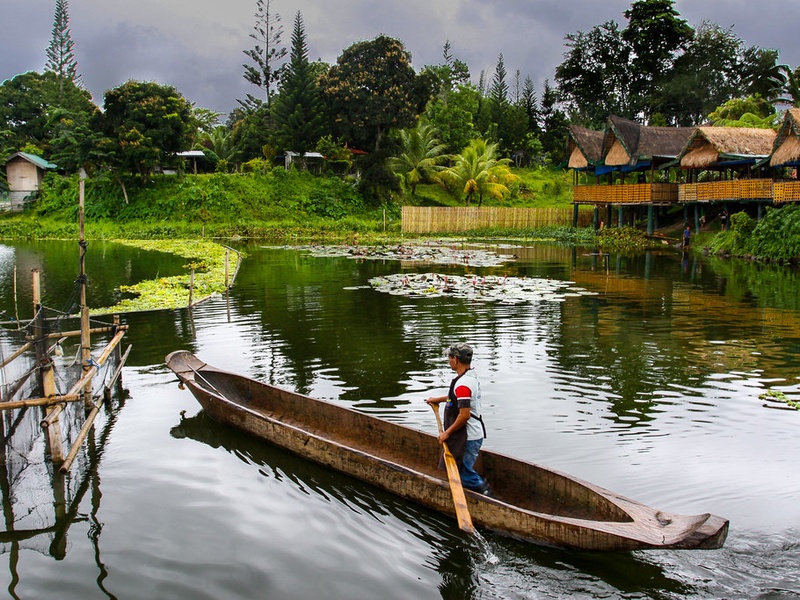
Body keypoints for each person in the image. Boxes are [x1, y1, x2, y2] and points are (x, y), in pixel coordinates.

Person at [426, 343, 490, 496]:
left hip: (467, 437)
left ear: (455, 359)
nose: (448, 360)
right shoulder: (470, 376)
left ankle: (485, 492)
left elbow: (464, 415)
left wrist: (446, 433)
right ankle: (479, 489)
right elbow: (455, 398)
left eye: (449, 357)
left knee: (462, 473)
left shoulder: (463, 384)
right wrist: (437, 400)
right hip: (470, 434)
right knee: (460, 469)